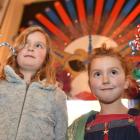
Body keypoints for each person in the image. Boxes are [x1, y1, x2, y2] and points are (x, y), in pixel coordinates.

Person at [0, 26, 68, 140]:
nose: (30, 48)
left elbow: (61, 136)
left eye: (38, 45)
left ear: (47, 56)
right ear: (15, 51)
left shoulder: (57, 96)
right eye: (25, 43)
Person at [67, 44, 140, 140]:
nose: (105, 80)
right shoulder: (79, 128)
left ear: (126, 82)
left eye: (113, 72)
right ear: (90, 85)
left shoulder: (137, 121)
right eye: (97, 74)